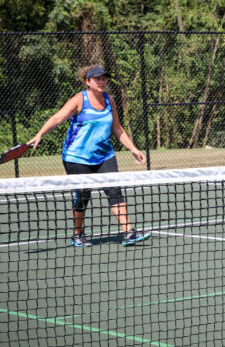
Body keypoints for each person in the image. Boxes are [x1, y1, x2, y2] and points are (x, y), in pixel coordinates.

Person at [28, 65, 151, 247]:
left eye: (104, 78)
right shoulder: (79, 100)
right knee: (83, 194)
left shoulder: (109, 101)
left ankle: (128, 232)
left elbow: (117, 128)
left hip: (104, 155)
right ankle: (78, 234)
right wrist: (39, 134)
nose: (102, 82)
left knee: (114, 190)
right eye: (97, 79)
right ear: (88, 81)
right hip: (76, 157)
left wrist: (133, 148)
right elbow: (58, 118)